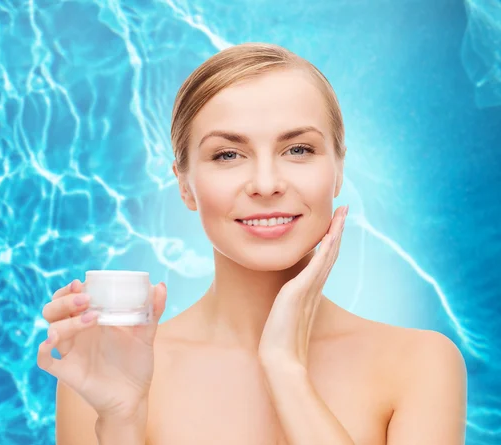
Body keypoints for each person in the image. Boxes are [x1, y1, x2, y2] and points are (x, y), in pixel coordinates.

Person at [37, 42, 467, 445]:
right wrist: (121, 422)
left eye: (298, 149)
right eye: (227, 155)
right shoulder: (104, 370)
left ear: (337, 170)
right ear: (185, 186)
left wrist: (285, 367)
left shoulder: (421, 365)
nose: (266, 184)